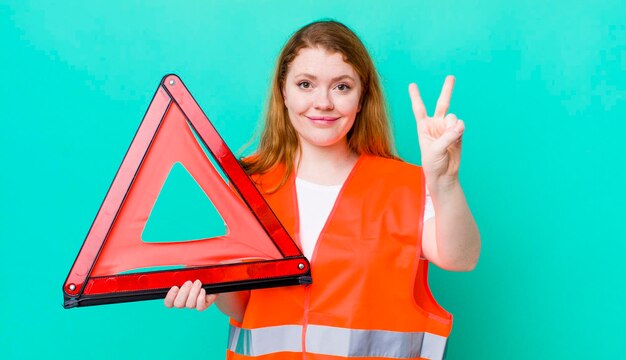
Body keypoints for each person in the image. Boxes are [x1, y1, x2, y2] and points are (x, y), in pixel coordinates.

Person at [164, 20, 480, 359]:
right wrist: (211, 290)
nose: (323, 103)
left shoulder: (406, 186)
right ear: (283, 92)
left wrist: (445, 182)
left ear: (362, 98)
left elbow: (460, 258)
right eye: (305, 84)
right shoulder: (250, 186)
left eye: (342, 87)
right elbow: (246, 307)